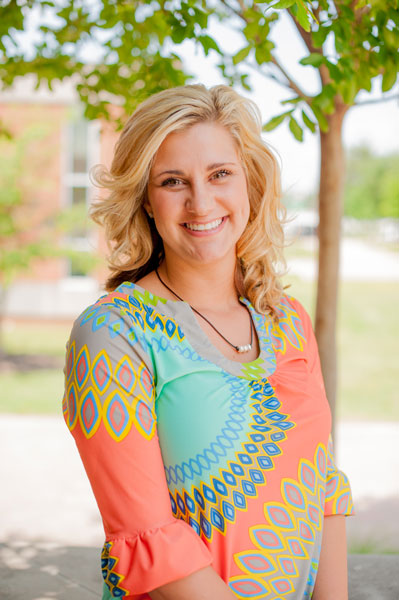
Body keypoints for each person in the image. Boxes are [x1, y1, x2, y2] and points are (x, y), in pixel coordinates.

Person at [63, 84, 353, 600]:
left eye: (220, 174)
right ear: (147, 201)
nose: (202, 201)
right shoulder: (112, 336)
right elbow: (151, 544)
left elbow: (322, 487)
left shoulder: (286, 318)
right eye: (173, 181)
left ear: (249, 185)